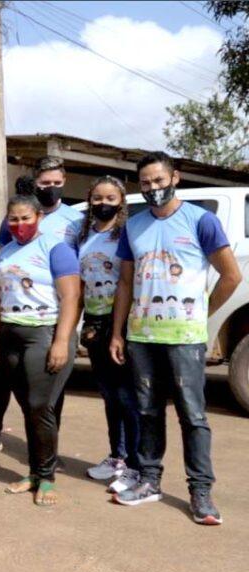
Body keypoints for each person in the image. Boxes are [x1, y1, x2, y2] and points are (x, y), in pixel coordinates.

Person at [110, 152, 242, 525]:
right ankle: (149, 480)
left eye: (159, 180)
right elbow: (125, 283)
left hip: (185, 338)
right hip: (142, 336)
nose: (153, 188)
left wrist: (203, 312)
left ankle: (201, 492)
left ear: (175, 178)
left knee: (193, 415)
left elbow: (231, 275)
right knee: (148, 410)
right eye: (146, 183)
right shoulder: (134, 226)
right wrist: (118, 332)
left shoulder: (201, 220)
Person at [0, 158, 82, 458]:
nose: (51, 187)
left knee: (45, 396)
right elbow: (1, 259)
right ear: (35, 182)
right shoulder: (13, 225)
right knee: (3, 385)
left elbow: (74, 283)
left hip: (50, 315)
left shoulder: (75, 220)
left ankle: (47, 454)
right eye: (45, 182)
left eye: (56, 183)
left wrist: (64, 335)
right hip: (13, 317)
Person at [0, 194, 80, 506]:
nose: (19, 224)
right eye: (13, 219)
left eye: (25, 218)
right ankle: (34, 473)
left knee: (41, 407)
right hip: (10, 335)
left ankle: (47, 478)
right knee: (28, 408)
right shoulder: (6, 251)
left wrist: (61, 341)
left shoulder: (56, 248)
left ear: (39, 217)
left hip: (44, 334)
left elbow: (71, 297)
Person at [76, 177, 140, 494]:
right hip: (94, 321)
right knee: (109, 395)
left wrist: (120, 331)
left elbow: (130, 281)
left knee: (127, 396)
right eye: (98, 198)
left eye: (111, 198)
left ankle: (135, 464)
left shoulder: (127, 234)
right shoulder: (83, 236)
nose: (104, 203)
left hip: (122, 323)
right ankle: (117, 456)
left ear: (121, 201)